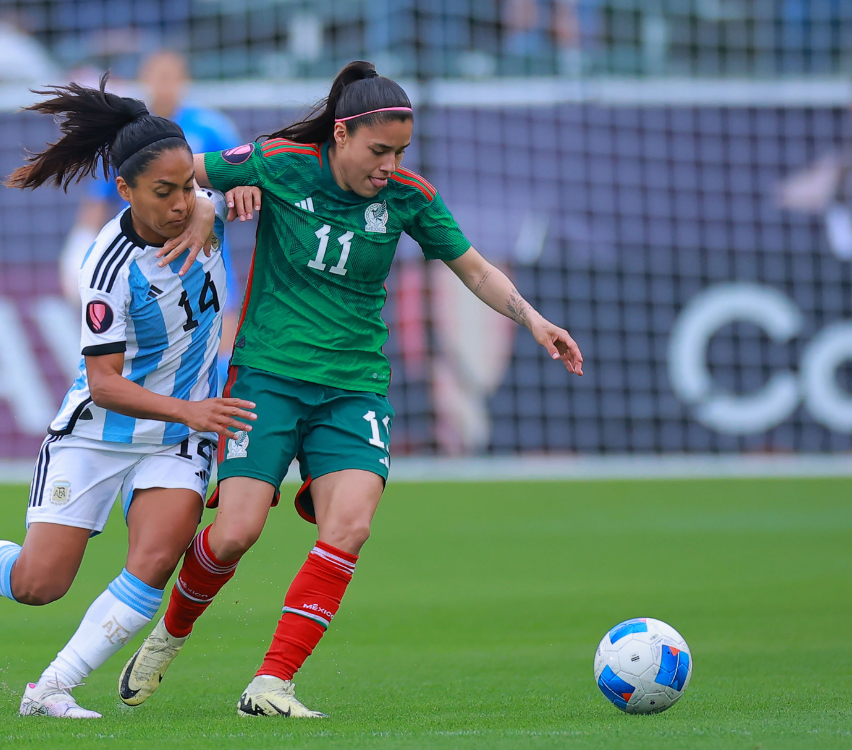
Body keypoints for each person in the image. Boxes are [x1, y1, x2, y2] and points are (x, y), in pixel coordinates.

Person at [119, 60, 584, 718]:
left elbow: (475, 271)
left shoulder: (408, 198)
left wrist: (534, 320)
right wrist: (204, 206)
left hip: (354, 389)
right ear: (340, 136)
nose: (389, 165)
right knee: (236, 532)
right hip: (268, 379)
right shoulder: (279, 162)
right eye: (378, 150)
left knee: (352, 525)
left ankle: (272, 681)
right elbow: (174, 173)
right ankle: (168, 638)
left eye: (400, 152)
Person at [0, 75, 256, 719]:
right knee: (40, 584)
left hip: (176, 438)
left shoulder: (204, 206)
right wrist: (192, 410)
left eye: (187, 188)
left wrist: (214, 199)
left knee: (155, 558)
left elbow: (270, 167)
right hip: (101, 431)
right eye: (163, 192)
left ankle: (51, 688)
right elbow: (105, 385)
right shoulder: (107, 268)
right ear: (124, 189)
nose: (180, 204)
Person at [61, 51, 243, 358]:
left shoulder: (211, 128)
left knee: (222, 342)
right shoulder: (129, 138)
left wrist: (206, 204)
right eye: (158, 77)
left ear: (185, 81)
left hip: (204, 249)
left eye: (172, 78)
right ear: (144, 81)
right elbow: (100, 196)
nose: (165, 86)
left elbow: (238, 183)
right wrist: (78, 245)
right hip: (145, 256)